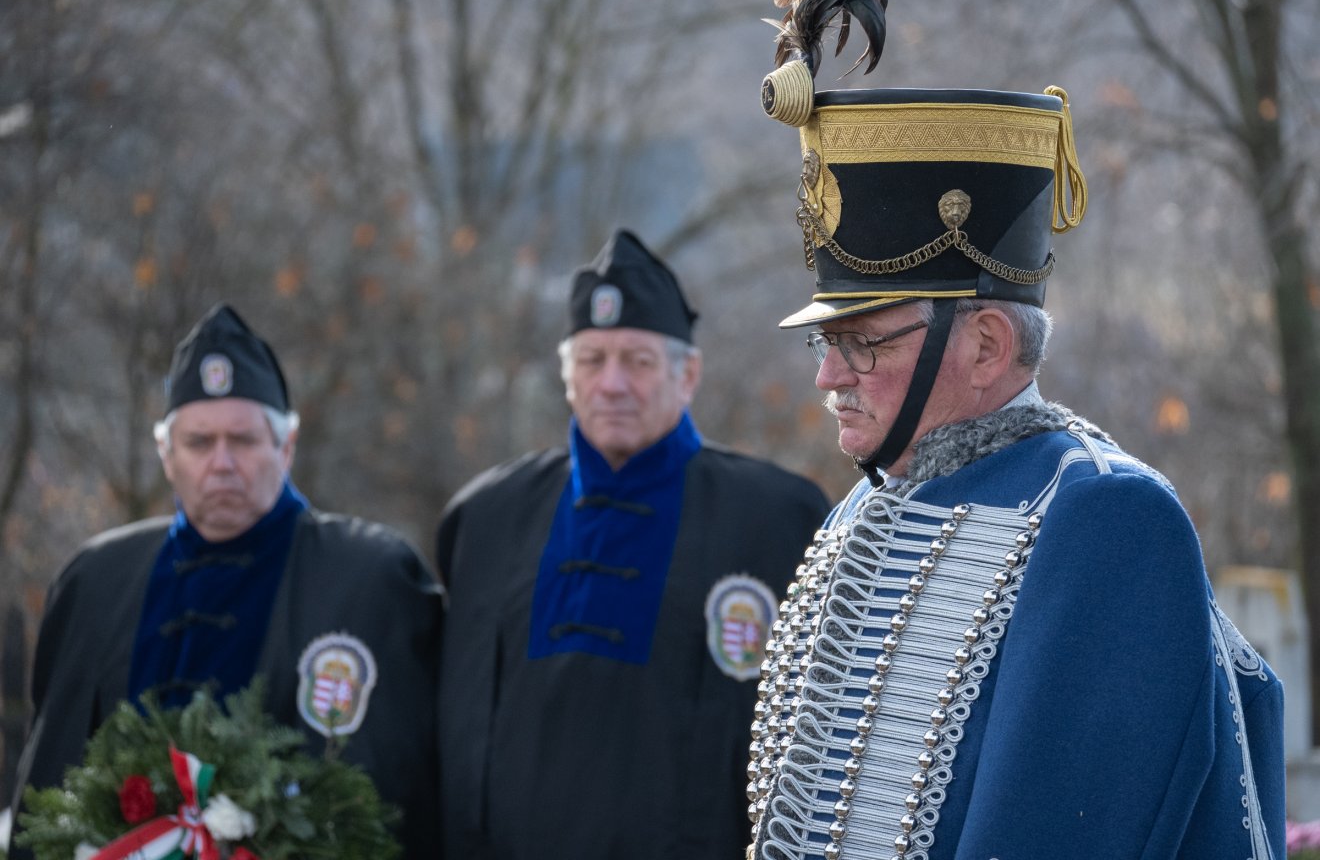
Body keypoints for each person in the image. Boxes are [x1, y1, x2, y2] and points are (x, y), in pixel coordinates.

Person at [745, 0, 1286, 859]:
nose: (829, 377)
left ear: (987, 345)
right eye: (824, 345)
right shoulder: (865, 507)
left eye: (862, 344)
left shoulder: (1106, 517)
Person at [435, 228, 831, 860]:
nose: (612, 384)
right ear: (567, 375)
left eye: (638, 361)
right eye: (592, 361)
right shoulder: (487, 517)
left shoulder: (779, 518)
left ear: (688, 374)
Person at [6, 304, 443, 860]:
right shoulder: (96, 582)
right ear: (166, 455)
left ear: (285, 448)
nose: (221, 463)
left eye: (242, 440)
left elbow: (407, 794)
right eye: (198, 442)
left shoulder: (371, 578)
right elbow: (47, 790)